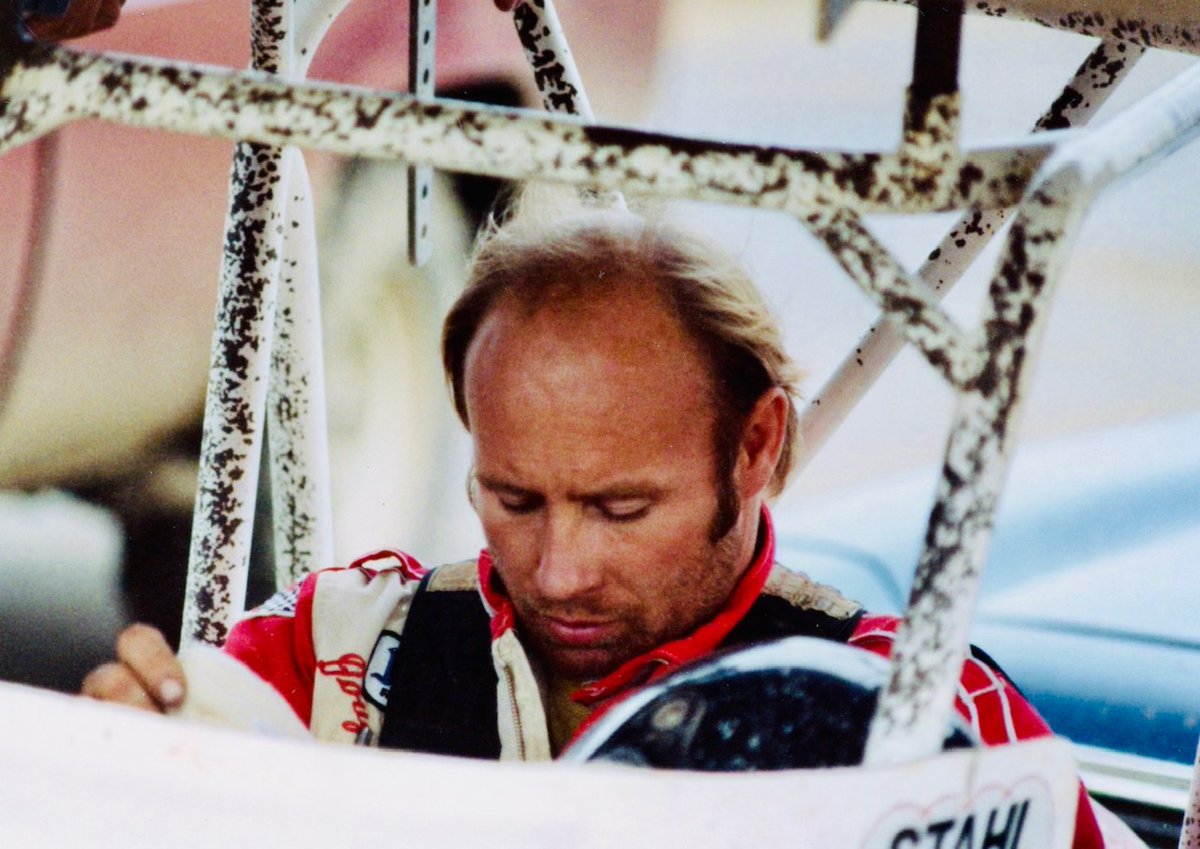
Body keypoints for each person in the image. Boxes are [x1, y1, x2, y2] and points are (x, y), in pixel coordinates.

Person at [83, 205, 1112, 847]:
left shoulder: (918, 713)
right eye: (513, 500)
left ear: (755, 447)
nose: (560, 572)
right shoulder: (338, 651)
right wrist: (121, 749)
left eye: (621, 509)